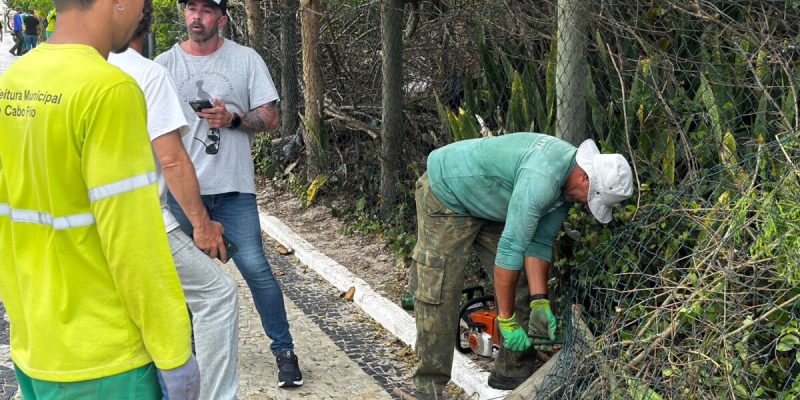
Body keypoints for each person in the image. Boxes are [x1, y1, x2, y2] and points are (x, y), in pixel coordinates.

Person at [0, 0, 201, 396]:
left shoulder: (12, 83)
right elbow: (135, 246)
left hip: (35, 351)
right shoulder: (110, 91)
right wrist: (176, 356)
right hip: (109, 363)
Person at [407, 133, 633, 398]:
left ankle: (512, 375)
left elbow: (539, 244)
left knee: (521, 285)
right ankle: (428, 387)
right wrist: (506, 320)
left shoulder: (566, 189)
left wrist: (540, 301)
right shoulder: (542, 178)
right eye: (590, 198)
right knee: (440, 288)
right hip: (447, 192)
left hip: (490, 201)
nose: (586, 204)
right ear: (585, 178)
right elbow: (510, 251)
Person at [155, 0, 304, 388]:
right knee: (180, 280)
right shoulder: (163, 66)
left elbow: (270, 118)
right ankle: (183, 359)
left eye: (206, 10)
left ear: (221, 19)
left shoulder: (246, 59)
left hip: (235, 190)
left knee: (257, 270)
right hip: (182, 195)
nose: (197, 17)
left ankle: (284, 351)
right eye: (190, 8)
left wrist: (233, 119)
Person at [108, 2, 240, 398]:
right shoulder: (148, 73)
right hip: (143, 220)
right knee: (218, 294)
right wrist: (202, 224)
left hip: (78, 224)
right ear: (143, 28)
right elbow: (171, 159)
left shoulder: (65, 70)